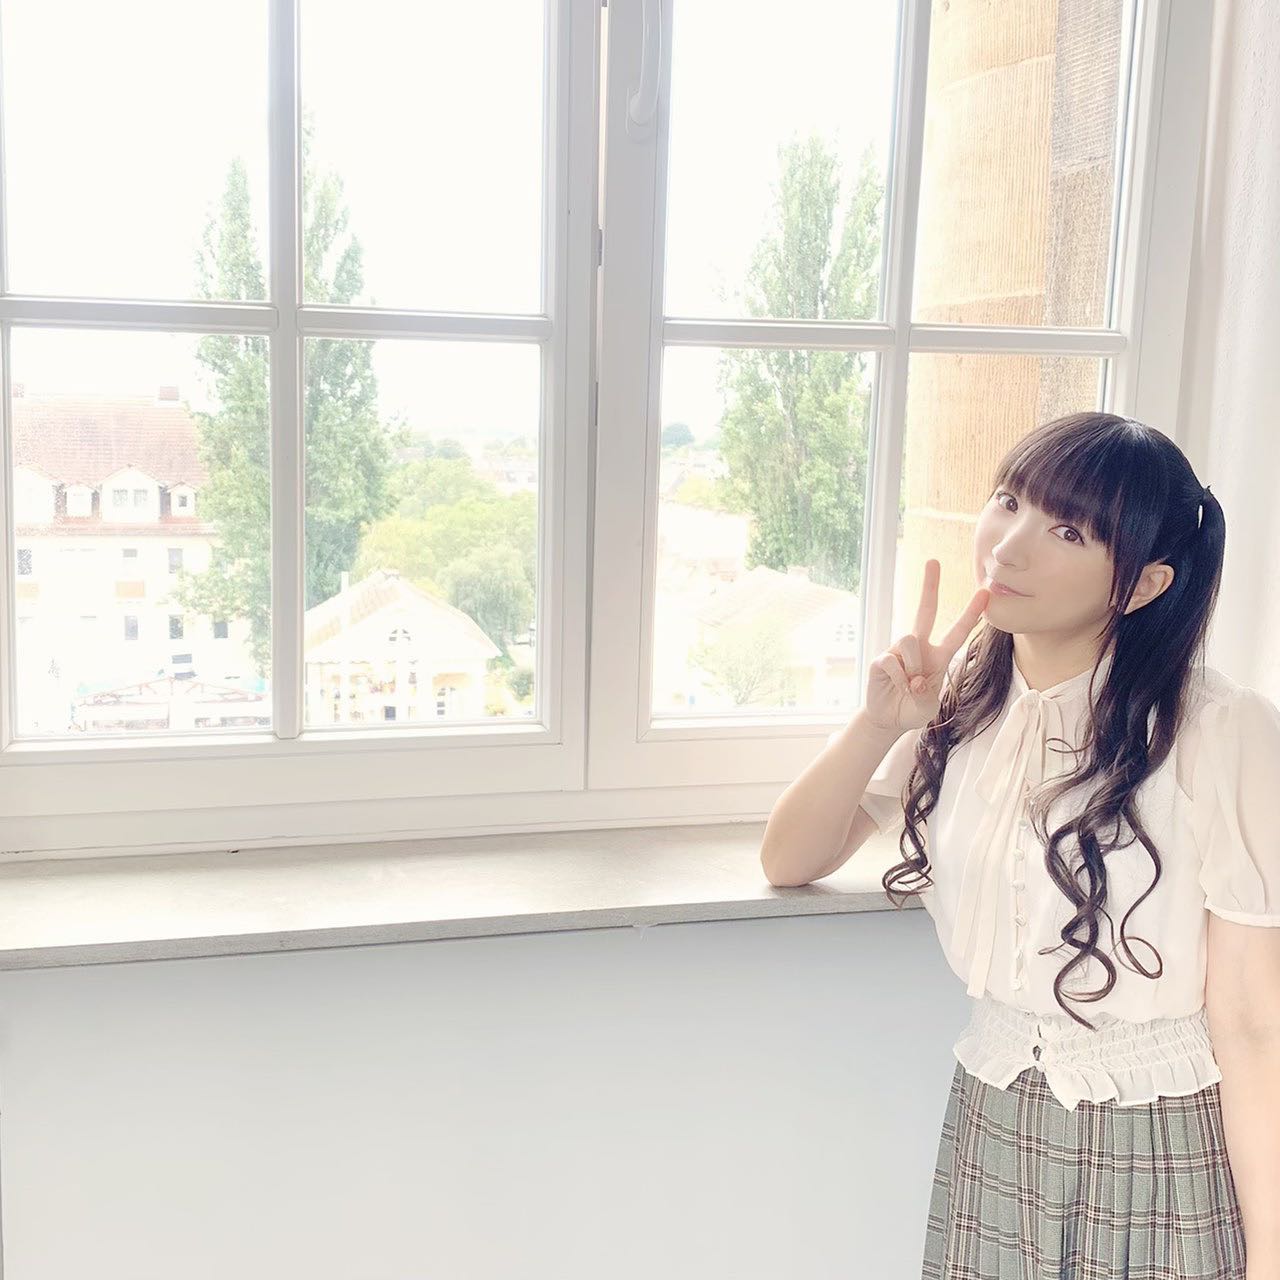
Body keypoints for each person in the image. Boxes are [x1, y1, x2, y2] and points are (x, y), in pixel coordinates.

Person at [759, 412, 1280, 1279]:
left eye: (1067, 531)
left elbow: (1255, 1023)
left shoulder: (1220, 731)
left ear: (1144, 586)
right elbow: (789, 859)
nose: (1008, 546)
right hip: (993, 1120)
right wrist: (878, 723)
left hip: (1158, 1139)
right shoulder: (965, 705)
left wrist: (1272, 1255)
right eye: (1009, 501)